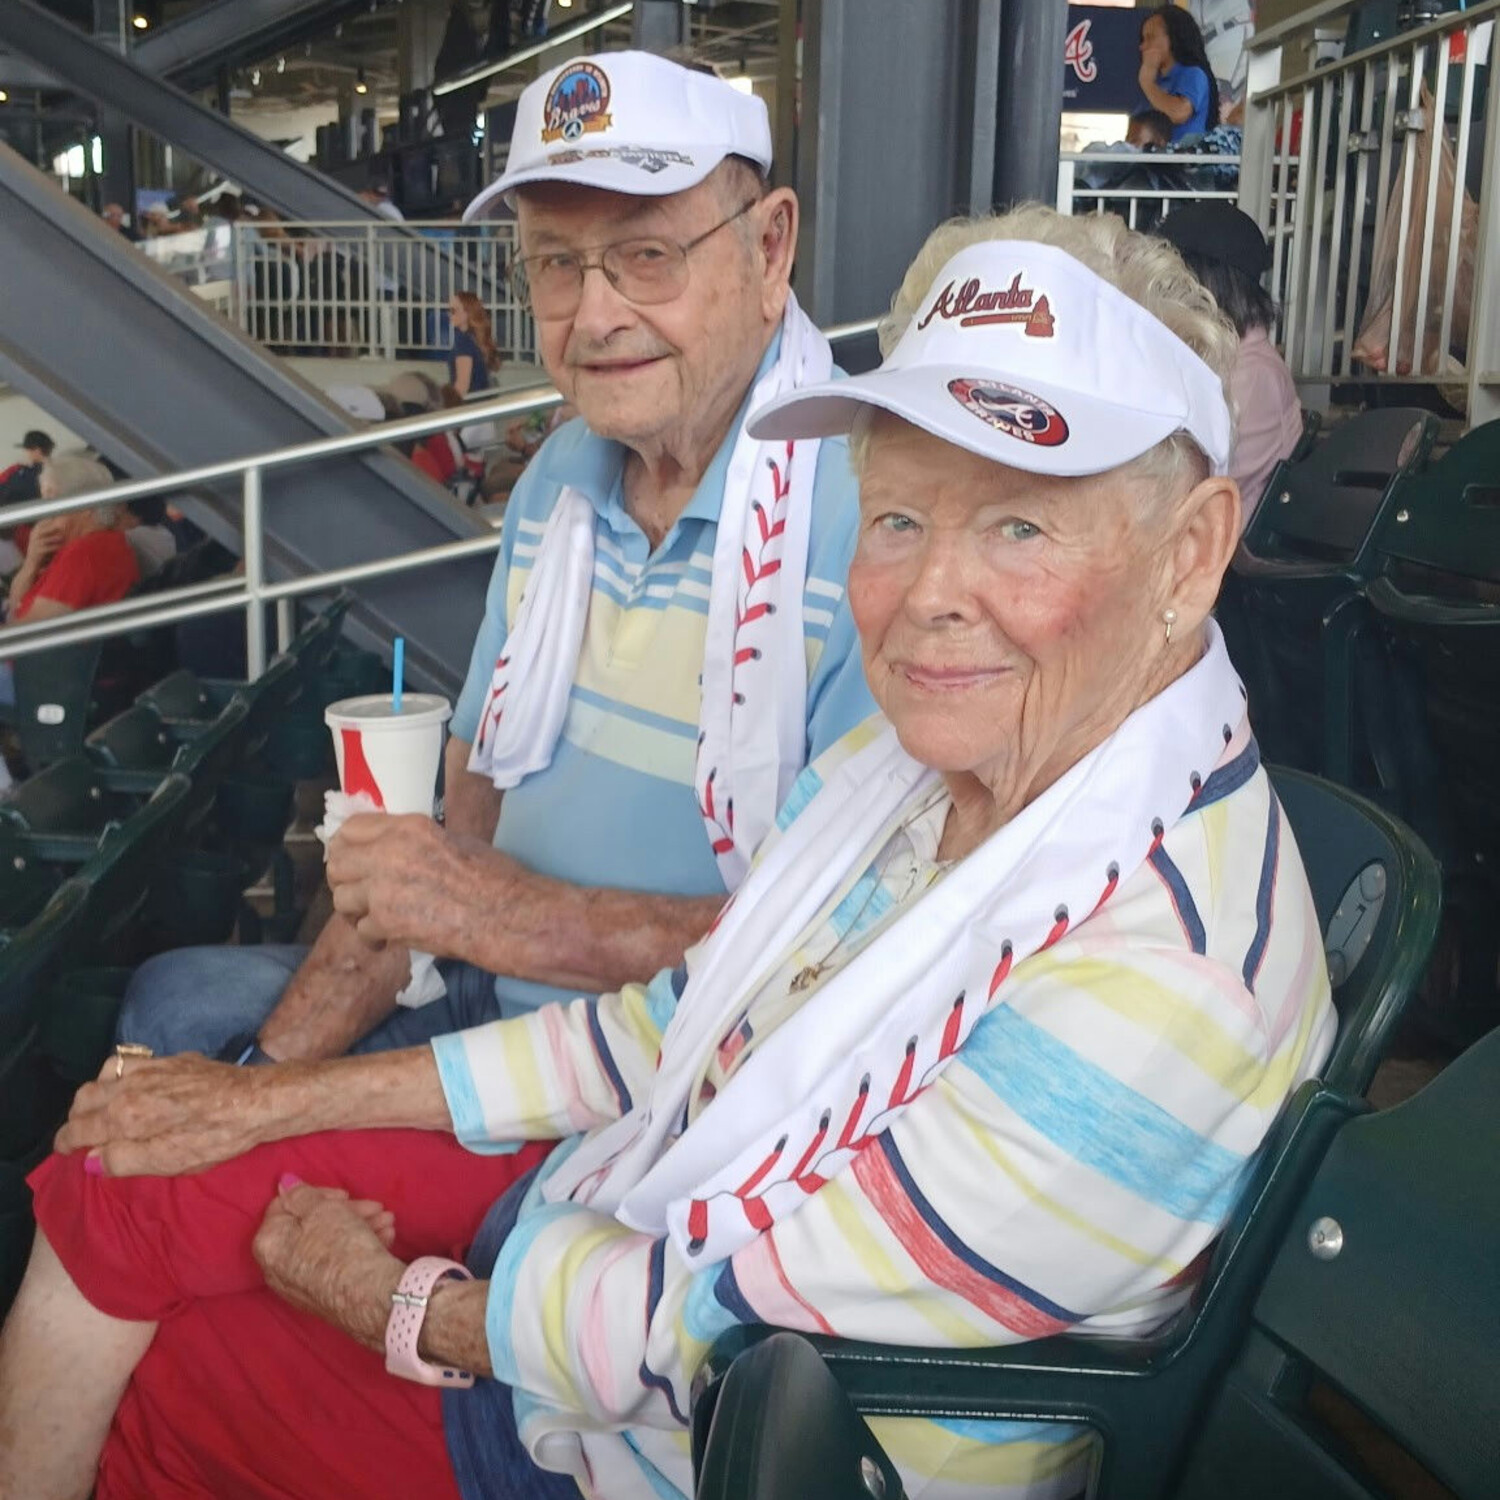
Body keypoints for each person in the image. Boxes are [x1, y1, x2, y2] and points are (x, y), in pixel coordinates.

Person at [0, 206, 1337, 1500]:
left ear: (1192, 552)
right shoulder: (921, 777)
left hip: (725, 1443)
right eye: (899, 518)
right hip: (623, 1203)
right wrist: (269, 1103)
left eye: (1021, 525)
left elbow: (724, 1335)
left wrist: (405, 1305)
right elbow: (666, 1031)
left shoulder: (1161, 974)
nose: (931, 593)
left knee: (179, 1378)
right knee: (131, 1182)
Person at [116, 51, 873, 1066]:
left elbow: (849, 949)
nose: (595, 315)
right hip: (479, 984)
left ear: (770, 249)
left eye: (647, 255)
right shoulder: (558, 477)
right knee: (171, 1015)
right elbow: (467, 811)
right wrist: (262, 1080)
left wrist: (505, 917)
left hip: (666, 1062)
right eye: (558, 262)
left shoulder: (877, 518)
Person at [1158, 202, 1302, 528]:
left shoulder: (1253, 375)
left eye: (1170, 278)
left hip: (1214, 554)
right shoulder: (1214, 362)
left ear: (1207, 284)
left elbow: (1200, 481)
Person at [1138, 5, 1220, 142]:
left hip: (1184, 159)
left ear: (1173, 38)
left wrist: (1147, 84)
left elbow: (1179, 113)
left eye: (1150, 38)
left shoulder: (1194, 74)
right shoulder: (1159, 83)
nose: (1143, 46)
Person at [446, 289, 502, 400]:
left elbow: (462, 385)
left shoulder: (463, 341)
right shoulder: (476, 338)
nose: (449, 314)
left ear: (466, 313)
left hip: (468, 406)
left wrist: (447, 407)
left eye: (453, 310)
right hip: (480, 403)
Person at [0, 429, 54, 509]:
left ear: (36, 450)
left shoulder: (22, 473)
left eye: (26, 449)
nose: (25, 453)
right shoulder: (57, 471)